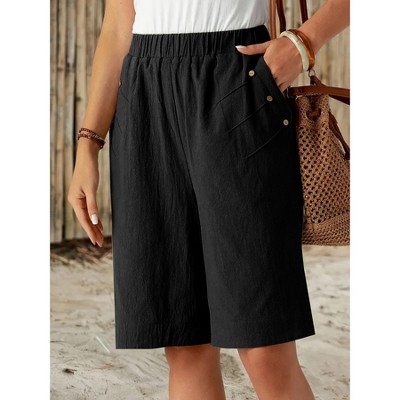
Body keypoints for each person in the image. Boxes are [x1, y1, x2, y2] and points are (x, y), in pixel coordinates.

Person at [68, 0, 350, 399]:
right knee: (184, 344)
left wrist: (302, 43)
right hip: (145, 97)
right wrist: (88, 143)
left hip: (237, 79)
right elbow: (118, 26)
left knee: (263, 345)